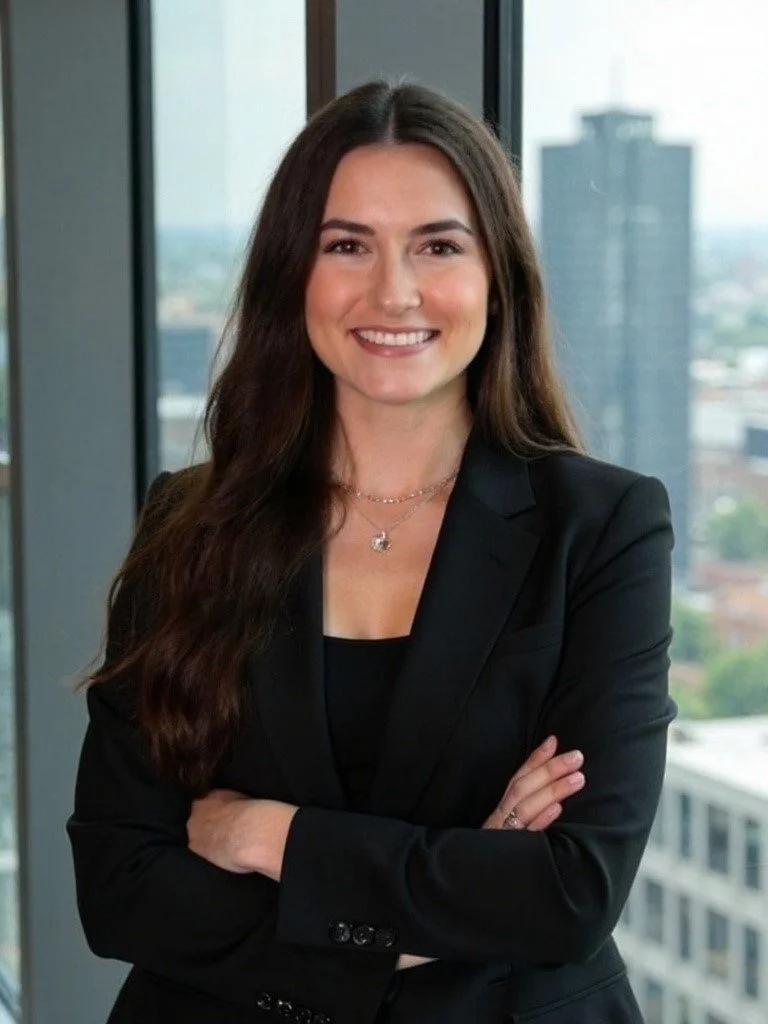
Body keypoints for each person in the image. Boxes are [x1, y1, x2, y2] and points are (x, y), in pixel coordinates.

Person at [67, 79, 675, 1024]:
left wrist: (273, 836)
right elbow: (119, 882)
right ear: (291, 275)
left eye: (438, 245)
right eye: (346, 245)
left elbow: (567, 894)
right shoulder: (189, 526)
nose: (393, 291)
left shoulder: (600, 529)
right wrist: (446, 899)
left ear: (496, 276)